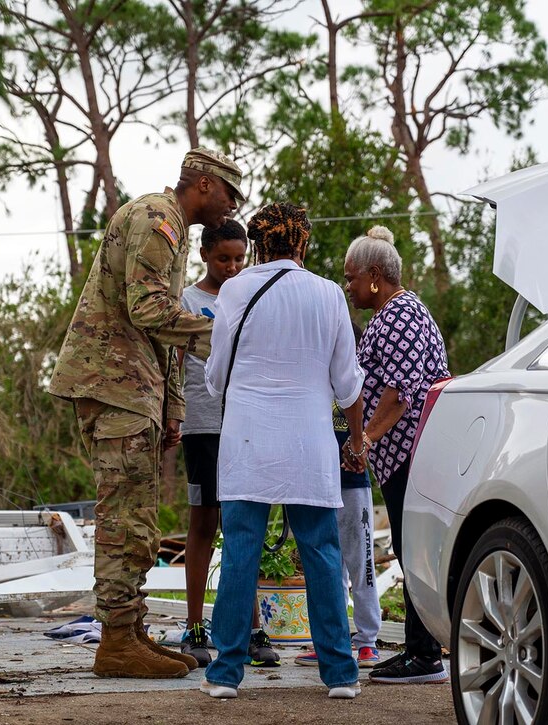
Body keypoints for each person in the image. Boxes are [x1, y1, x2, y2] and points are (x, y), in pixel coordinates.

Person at [48, 147, 244, 679]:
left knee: (139, 518)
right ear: (203, 184)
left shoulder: (170, 227)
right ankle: (114, 640)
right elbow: (150, 310)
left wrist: (173, 404)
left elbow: (162, 329)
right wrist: (225, 336)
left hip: (136, 389)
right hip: (114, 385)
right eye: (229, 192)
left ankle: (129, 630)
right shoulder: (158, 221)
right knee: (121, 521)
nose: (232, 205)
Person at [199, 203, 366, 701]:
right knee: (320, 551)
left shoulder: (234, 290)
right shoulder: (329, 293)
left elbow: (215, 377)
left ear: (256, 244)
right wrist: (356, 442)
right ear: (302, 243)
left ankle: (226, 673)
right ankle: (340, 673)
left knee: (241, 552)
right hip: (309, 441)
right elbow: (347, 383)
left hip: (247, 439)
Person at [342, 225, 450, 685]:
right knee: (410, 550)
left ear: (373, 276)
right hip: (402, 452)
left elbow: (400, 392)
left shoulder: (402, 314)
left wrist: (364, 438)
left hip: (412, 451)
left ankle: (424, 656)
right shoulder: (391, 313)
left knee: (414, 551)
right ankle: (420, 650)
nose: (347, 286)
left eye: (350, 278)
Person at [178, 220, 279, 668]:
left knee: (245, 523)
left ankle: (251, 627)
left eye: (240, 259)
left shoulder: (252, 296)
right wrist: (171, 415)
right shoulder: (188, 300)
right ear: (204, 254)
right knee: (204, 523)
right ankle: (196, 626)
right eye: (224, 259)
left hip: (246, 423)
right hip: (201, 425)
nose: (233, 267)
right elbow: (174, 363)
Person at [295, 321, 381, 669]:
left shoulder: (362, 385)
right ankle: (330, 639)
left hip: (353, 484)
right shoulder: (315, 382)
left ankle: (367, 640)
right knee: (327, 565)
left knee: (361, 562)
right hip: (318, 481)